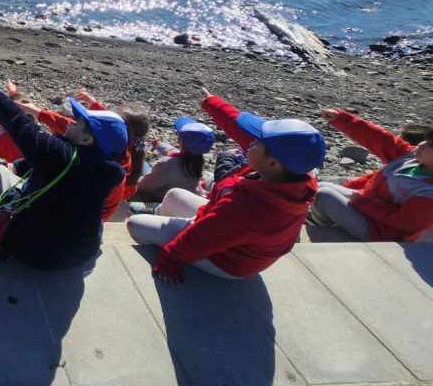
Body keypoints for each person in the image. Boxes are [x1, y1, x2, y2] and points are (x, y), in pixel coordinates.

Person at [126, 89, 325, 286]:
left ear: (272, 163)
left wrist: (170, 260)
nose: (249, 143)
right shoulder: (294, 173)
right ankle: (165, 218)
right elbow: (242, 131)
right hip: (226, 230)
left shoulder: (249, 209)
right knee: (174, 195)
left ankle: (165, 236)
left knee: (135, 224)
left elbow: (202, 238)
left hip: (226, 260)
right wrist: (213, 103)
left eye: (255, 143)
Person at [0, 75, 126, 271]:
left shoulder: (64, 157)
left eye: (78, 123)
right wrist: (20, 166)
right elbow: (54, 169)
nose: (71, 122)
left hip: (40, 253)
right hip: (82, 252)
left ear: (87, 140)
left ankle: (2, 243)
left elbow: (21, 125)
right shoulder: (105, 169)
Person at [309, 109, 433, 242]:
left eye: (430, 145)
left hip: (378, 232)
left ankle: (321, 227)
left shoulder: (428, 193)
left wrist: (363, 203)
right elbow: (378, 138)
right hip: (367, 210)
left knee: (324, 195)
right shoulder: (410, 156)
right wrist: (342, 118)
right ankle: (326, 221)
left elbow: (406, 222)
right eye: (426, 140)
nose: (421, 144)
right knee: (319, 186)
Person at [73, 89, 149, 221]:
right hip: (122, 198)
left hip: (103, 205)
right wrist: (92, 102)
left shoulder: (112, 157)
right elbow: (112, 122)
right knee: (146, 166)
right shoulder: (135, 152)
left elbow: (108, 124)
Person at [132, 117, 215, 204]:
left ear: (180, 141)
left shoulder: (166, 165)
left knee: (142, 165)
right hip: (182, 198)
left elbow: (143, 186)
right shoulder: (196, 160)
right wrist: (158, 144)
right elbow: (173, 151)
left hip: (158, 200)